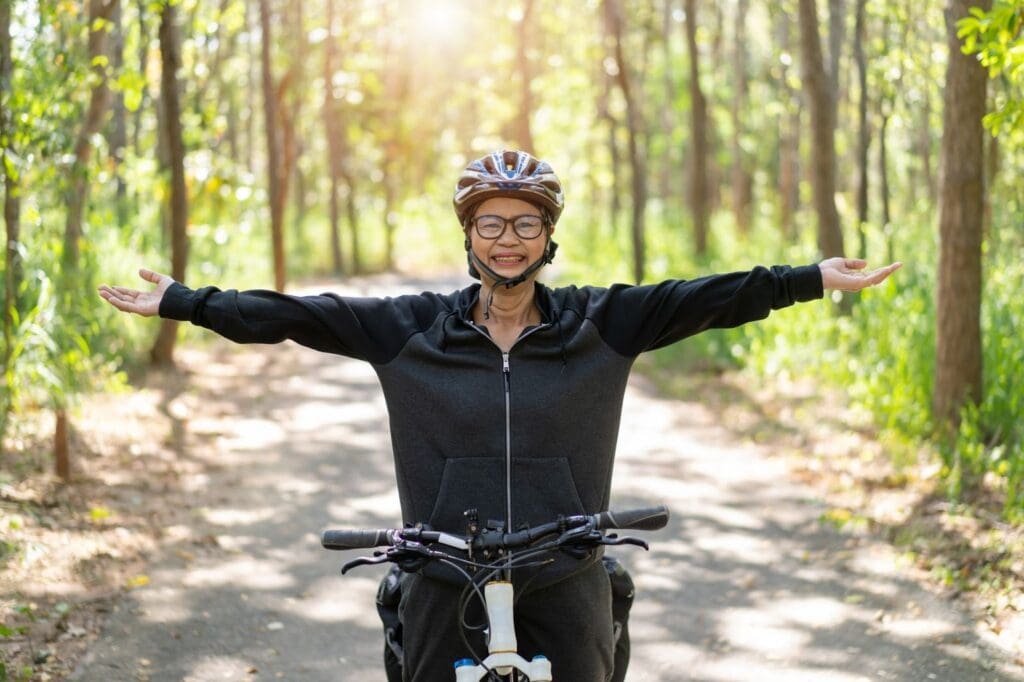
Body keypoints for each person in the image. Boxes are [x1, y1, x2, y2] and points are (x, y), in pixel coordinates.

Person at [99, 149, 901, 681]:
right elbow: (295, 313)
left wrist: (809, 278)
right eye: (492, 223)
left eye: (525, 224)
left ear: (548, 238)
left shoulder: (601, 322)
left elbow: (708, 297)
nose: (508, 239)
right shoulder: (409, 328)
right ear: (469, 236)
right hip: (443, 568)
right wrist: (185, 302)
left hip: (567, 565)